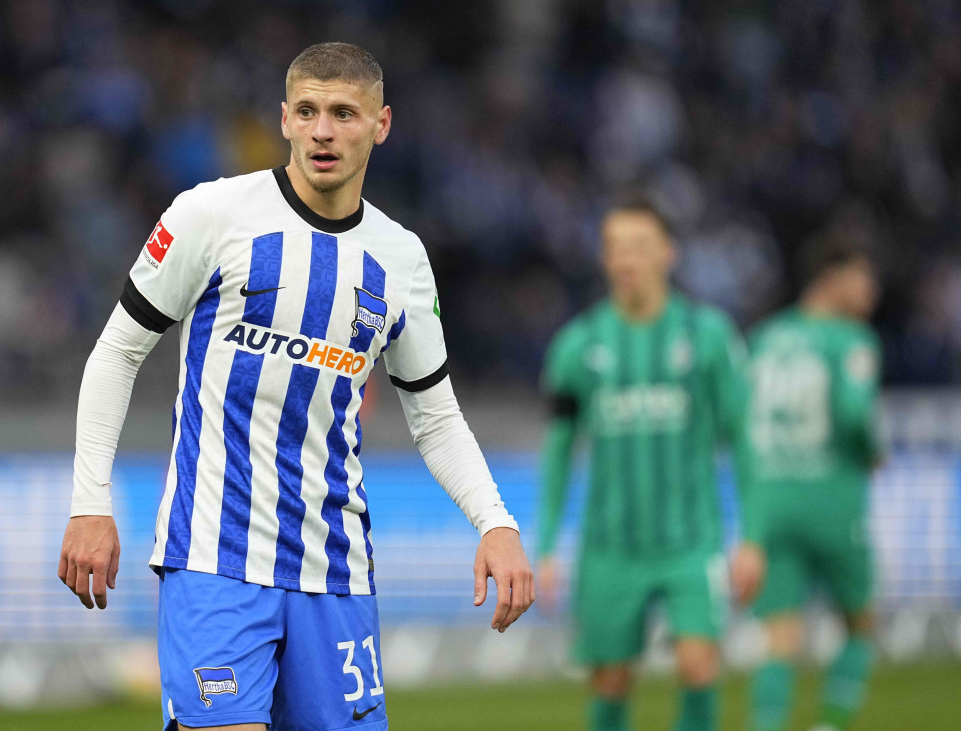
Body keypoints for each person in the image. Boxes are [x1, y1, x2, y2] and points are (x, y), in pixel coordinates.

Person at [56, 42, 534, 731]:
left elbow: (433, 415)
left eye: (343, 113)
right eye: (307, 111)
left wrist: (497, 522)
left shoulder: (400, 260)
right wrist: (89, 502)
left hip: (334, 568)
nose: (323, 130)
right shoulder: (210, 216)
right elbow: (117, 351)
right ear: (283, 119)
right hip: (212, 556)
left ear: (381, 124)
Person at [535, 195, 765, 731]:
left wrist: (752, 538)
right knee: (611, 679)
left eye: (640, 246)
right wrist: (545, 545)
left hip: (692, 541)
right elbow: (559, 450)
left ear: (669, 253)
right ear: (604, 258)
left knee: (698, 663)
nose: (627, 259)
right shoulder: (578, 346)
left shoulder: (708, 337)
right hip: (610, 546)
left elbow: (744, 440)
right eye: (616, 248)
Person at [747, 244, 882, 731]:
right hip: (830, 499)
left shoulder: (764, 337)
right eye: (863, 277)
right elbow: (852, 413)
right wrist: (873, 451)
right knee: (862, 625)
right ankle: (829, 727)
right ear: (832, 278)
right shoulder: (851, 339)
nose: (873, 290)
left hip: (771, 502)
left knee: (779, 637)